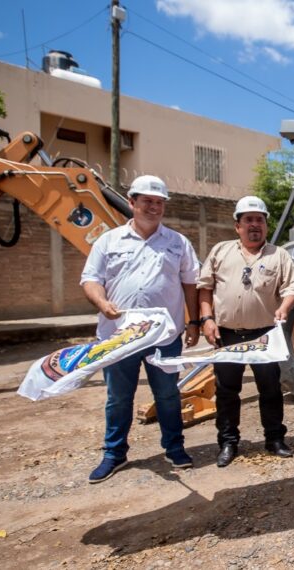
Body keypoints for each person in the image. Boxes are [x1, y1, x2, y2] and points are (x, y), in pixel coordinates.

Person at [80, 175, 201, 483]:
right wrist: (102, 302)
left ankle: (174, 449)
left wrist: (193, 321)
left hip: (164, 336)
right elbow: (90, 280)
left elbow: (191, 284)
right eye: (147, 201)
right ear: (131, 203)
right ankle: (114, 454)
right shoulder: (109, 241)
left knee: (168, 395)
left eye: (159, 202)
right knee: (119, 397)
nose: (154, 207)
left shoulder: (177, 243)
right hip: (119, 337)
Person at [197, 196, 294, 467]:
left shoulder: (279, 255)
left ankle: (275, 439)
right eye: (249, 220)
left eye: (260, 220)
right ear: (238, 226)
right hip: (226, 334)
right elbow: (205, 287)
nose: (254, 225)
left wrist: (285, 308)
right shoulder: (221, 251)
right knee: (227, 391)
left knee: (270, 389)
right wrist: (206, 319)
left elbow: (292, 288)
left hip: (264, 334)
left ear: (266, 225)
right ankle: (228, 442)